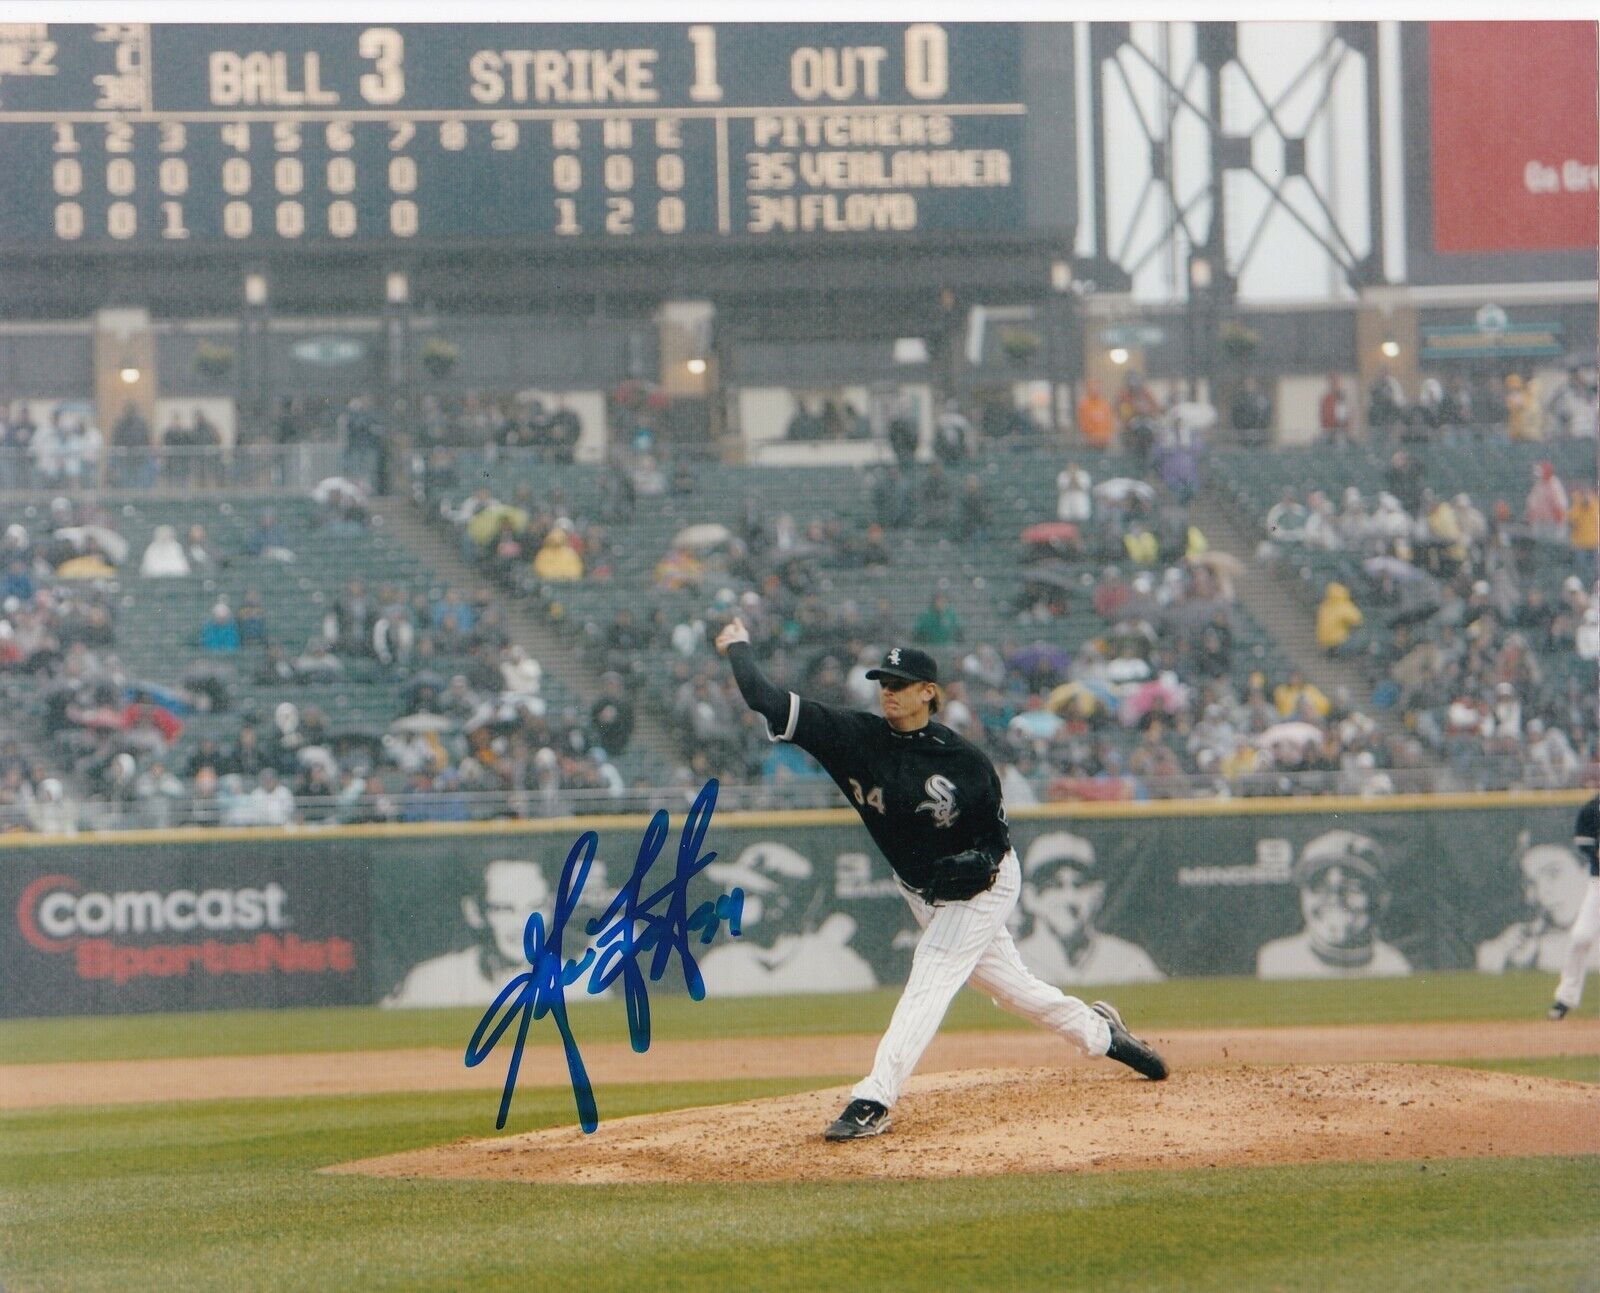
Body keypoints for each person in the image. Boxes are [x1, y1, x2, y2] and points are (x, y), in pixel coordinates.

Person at [716, 621, 1168, 1143]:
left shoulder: (966, 763)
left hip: (984, 889)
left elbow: (995, 848)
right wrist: (739, 646)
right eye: (883, 682)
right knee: (1014, 991)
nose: (888, 691)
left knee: (931, 974)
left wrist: (974, 863)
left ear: (928, 693)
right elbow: (763, 697)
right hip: (922, 891)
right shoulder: (852, 737)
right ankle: (1101, 1033)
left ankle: (875, 1098)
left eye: (899, 683)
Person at [1256, 830, 1412, 979]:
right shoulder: (1276, 961)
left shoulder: (1396, 967)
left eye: (1353, 887)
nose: (1335, 899)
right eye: (1319, 886)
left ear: (1382, 898)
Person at [1014, 832, 1164, 985]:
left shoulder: (1129, 963)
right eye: (1054, 886)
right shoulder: (1013, 965)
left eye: (1079, 885)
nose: (1069, 898)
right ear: (1029, 898)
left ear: (1097, 895)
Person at [1548, 794, 1600, 1020]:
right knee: (1581, 936)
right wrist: (1595, 851)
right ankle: (1565, 998)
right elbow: (1583, 840)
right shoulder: (1593, 808)